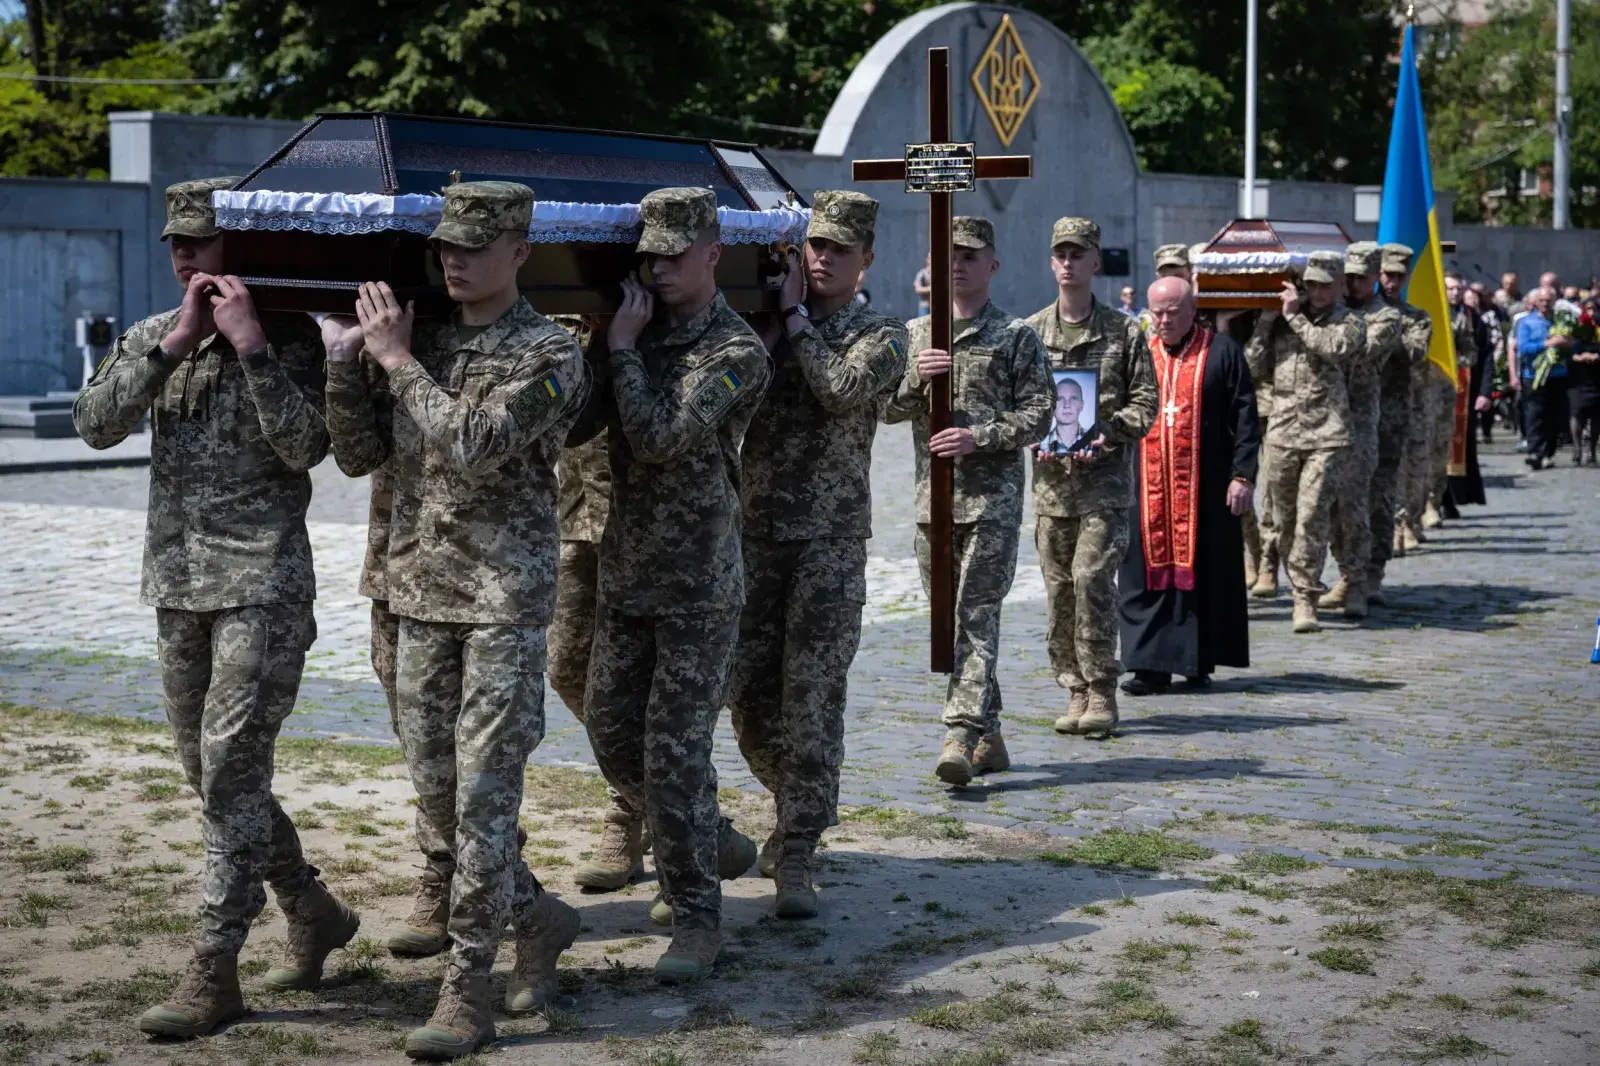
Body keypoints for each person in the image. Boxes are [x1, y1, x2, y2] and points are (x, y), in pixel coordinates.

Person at [73, 178, 357, 1039]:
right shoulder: (156, 336)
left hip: (263, 586)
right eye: (176, 243)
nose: (187, 256)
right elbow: (93, 423)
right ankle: (312, 909)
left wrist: (251, 349)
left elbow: (313, 448)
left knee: (231, 769)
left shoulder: (293, 341)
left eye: (204, 241)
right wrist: (177, 346)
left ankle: (213, 966)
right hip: (177, 585)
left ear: (245, 251)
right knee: (211, 776)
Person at [322, 181, 587, 1059]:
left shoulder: (551, 352)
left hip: (502, 605)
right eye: (445, 246)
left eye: (476, 246)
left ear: (520, 251)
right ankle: (539, 917)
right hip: (417, 598)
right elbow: (359, 456)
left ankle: (465, 988)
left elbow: (473, 444)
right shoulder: (421, 337)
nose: (456, 259)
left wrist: (397, 365)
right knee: (439, 797)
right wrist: (346, 362)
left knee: (482, 800)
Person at [571, 186, 770, 979]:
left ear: (713, 254)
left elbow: (655, 437)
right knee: (610, 732)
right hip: (626, 575)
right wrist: (597, 345)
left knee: (675, 754)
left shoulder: (736, 351)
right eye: (647, 255)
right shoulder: (636, 328)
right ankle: (710, 837)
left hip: (700, 584)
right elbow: (580, 426)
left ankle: (697, 917)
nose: (657, 269)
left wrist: (621, 348)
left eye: (673, 256)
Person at [729, 190, 908, 918]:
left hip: (829, 545)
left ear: (866, 259)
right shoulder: (767, 328)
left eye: (838, 249)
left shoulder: (884, 333)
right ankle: (794, 802)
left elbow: (839, 391)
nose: (823, 257)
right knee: (747, 697)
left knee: (812, 697)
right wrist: (773, 328)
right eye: (814, 245)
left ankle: (798, 845)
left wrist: (797, 321)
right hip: (756, 534)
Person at [884, 215, 1053, 784]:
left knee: (975, 616)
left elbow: (1040, 413)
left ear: (992, 265)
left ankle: (959, 732)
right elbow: (884, 407)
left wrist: (980, 436)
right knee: (947, 621)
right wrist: (914, 379)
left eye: (969, 255)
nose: (956, 264)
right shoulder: (914, 333)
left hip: (991, 503)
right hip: (931, 502)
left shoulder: (1016, 335)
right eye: (947, 254)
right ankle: (992, 733)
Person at [1025, 216, 1157, 736]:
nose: (1068, 262)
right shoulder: (1032, 332)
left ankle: (1102, 687)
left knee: (1092, 579)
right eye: (1060, 253)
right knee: (1058, 590)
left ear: (1096, 262)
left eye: (1078, 254)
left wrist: (1111, 430)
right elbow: (1021, 403)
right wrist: (1030, 432)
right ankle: (1073, 686)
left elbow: (1146, 400)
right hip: (1052, 487)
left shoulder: (1123, 331)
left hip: (1104, 483)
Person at [1118, 277, 1258, 694]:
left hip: (1206, 488)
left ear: (1191, 310)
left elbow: (1246, 418)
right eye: (1156, 313)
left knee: (1202, 572)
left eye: (1172, 313)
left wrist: (1243, 475)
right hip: (1145, 488)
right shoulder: (1141, 354)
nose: (1162, 321)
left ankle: (1197, 661)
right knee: (1144, 574)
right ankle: (1148, 667)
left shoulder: (1223, 351)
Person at [1245, 251, 1363, 633]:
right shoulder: (1281, 321)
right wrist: (1266, 320)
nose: (1317, 291)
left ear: (1341, 286)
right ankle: (1284, 576)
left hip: (1326, 434)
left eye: (1326, 285)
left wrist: (1294, 316)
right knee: (1284, 518)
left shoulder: (1350, 322)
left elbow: (1331, 349)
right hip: (1281, 432)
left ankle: (1305, 598)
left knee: (1312, 516)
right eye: (1311, 283)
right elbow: (1250, 367)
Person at [1322, 242, 1399, 619]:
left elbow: (1353, 352)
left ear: (1375, 279)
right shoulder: (1334, 311)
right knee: (1331, 509)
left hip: (1359, 425)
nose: (1352, 284)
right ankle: (1344, 574)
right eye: (1347, 277)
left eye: (1360, 278)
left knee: (1355, 506)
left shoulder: (1384, 318)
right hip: (1323, 423)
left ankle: (1358, 581)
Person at [1378, 244, 1432, 564]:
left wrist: (1386, 331)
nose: (1392, 283)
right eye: (1388, 275)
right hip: (1363, 404)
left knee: (1404, 469)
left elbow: (1415, 352)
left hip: (1400, 404)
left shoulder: (1416, 318)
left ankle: (1402, 524)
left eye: (1399, 276)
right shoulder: (1361, 311)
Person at [1514, 286, 1571, 469]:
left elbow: (1572, 344)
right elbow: (1523, 348)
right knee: (1535, 415)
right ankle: (1535, 451)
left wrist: (1567, 343)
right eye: (1542, 300)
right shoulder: (1526, 322)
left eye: (1548, 300)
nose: (1545, 304)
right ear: (1535, 302)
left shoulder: (1561, 321)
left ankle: (1548, 452)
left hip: (1557, 375)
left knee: (1555, 415)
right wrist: (1547, 344)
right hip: (1534, 375)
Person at [1443, 273, 1487, 507]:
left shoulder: (1472, 319)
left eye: (1458, 288)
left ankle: (1462, 495)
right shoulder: (1432, 314)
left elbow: (1483, 355)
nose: (1455, 293)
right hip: (1435, 387)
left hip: (1466, 389)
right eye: (1450, 288)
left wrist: (1485, 391)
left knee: (1463, 442)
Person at [1569, 299, 1600, 465]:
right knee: (1577, 413)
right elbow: (1569, 350)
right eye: (1588, 309)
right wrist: (1580, 357)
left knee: (1596, 415)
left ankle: (1593, 450)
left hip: (1597, 377)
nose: (1591, 313)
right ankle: (1577, 449)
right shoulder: (1576, 329)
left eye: (1594, 309)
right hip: (1578, 377)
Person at [1040, 376, 1088, 454]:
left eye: (1073, 398)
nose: (1067, 405)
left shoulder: (1094, 440)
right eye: (1060, 399)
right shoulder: (1038, 444)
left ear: (1081, 405)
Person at [914, 252, 932, 317]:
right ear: (927, 259)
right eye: (931, 258)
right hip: (925, 306)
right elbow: (918, 289)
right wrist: (930, 288)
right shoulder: (922, 273)